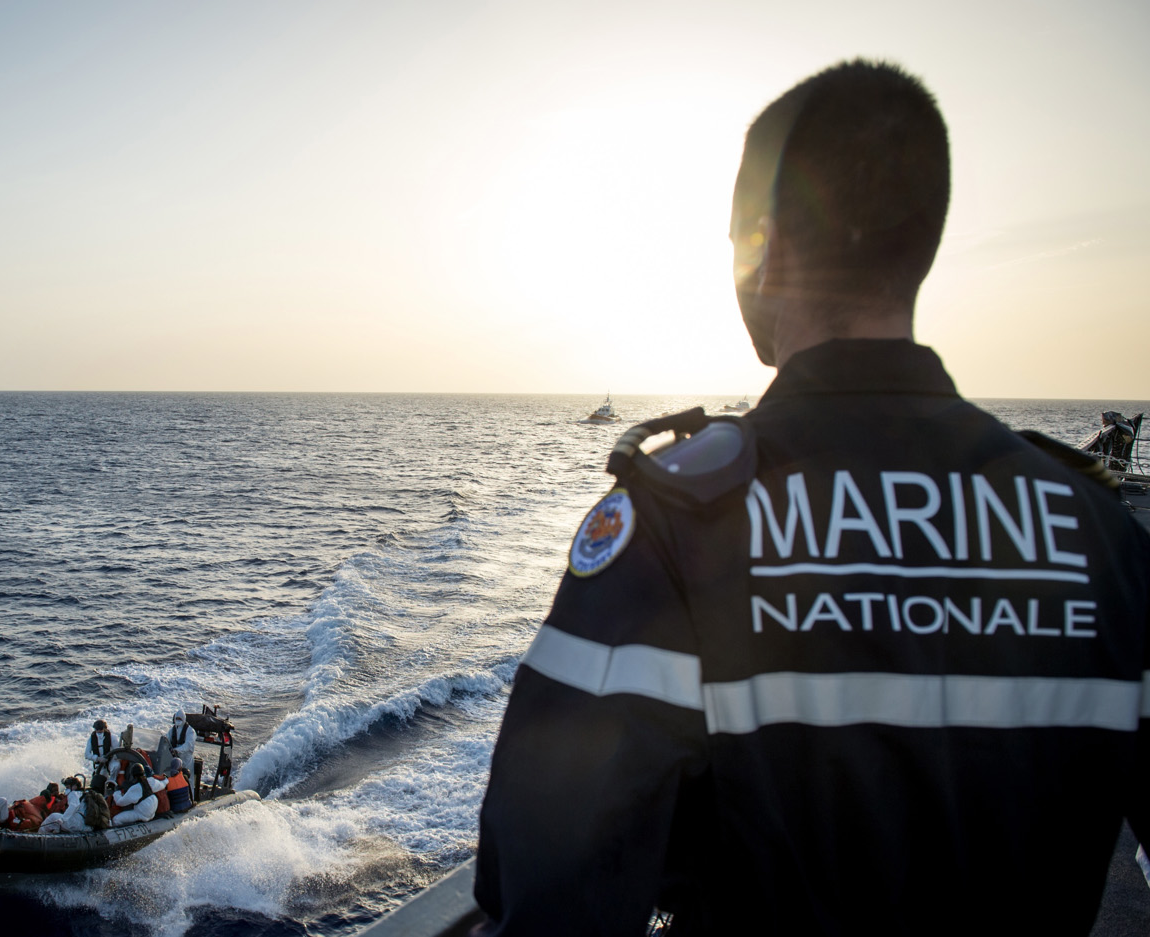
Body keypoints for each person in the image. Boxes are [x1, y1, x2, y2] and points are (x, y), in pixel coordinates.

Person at [473, 60, 1150, 936]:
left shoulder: (674, 528)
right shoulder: (1101, 535)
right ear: (923, 242)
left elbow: (541, 889)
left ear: (765, 245)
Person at [84, 719, 114, 789]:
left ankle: (112, 784)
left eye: (101, 729)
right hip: (99, 764)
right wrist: (97, 758)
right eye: (97, 729)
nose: (99, 731)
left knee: (116, 767)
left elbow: (117, 750)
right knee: (100, 778)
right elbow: (87, 754)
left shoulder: (112, 737)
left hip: (110, 760)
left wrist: (109, 758)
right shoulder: (92, 739)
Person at [166, 710, 196, 777]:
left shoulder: (191, 731)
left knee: (187, 778)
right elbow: (166, 739)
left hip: (186, 760)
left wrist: (177, 750)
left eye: (180, 719)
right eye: (177, 719)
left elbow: (188, 745)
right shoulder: (172, 730)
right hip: (175, 760)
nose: (178, 720)